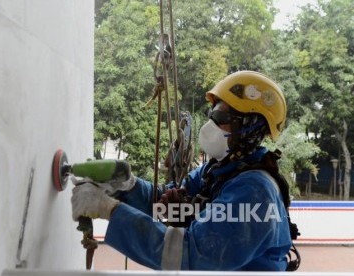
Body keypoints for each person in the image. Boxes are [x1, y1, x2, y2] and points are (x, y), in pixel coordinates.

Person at [71, 71, 298, 271]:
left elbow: (191, 255)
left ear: (250, 128)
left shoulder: (255, 193)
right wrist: (126, 187)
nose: (211, 125)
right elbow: (165, 202)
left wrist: (109, 209)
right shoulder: (217, 171)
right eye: (212, 115)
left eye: (221, 118)